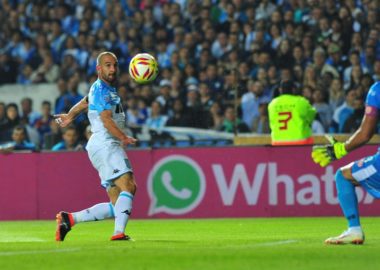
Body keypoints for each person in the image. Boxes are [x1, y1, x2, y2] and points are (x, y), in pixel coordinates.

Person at [53, 51, 137, 241]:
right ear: (99, 68)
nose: (113, 69)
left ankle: (70, 219)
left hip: (100, 146)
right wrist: (123, 137)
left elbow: (85, 102)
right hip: (107, 143)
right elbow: (106, 119)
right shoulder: (102, 89)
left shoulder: (100, 89)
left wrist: (69, 116)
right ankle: (119, 233)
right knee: (129, 186)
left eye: (115, 65)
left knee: (117, 202)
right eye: (108, 65)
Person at [311, 81, 380, 245]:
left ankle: (354, 230)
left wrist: (340, 150)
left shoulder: (377, 90)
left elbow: (365, 133)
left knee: (343, 176)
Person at [268, 80, 316, 145]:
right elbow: (311, 117)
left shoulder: (272, 104)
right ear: (294, 89)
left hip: (278, 142)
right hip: (301, 142)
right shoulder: (301, 102)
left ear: (280, 90)